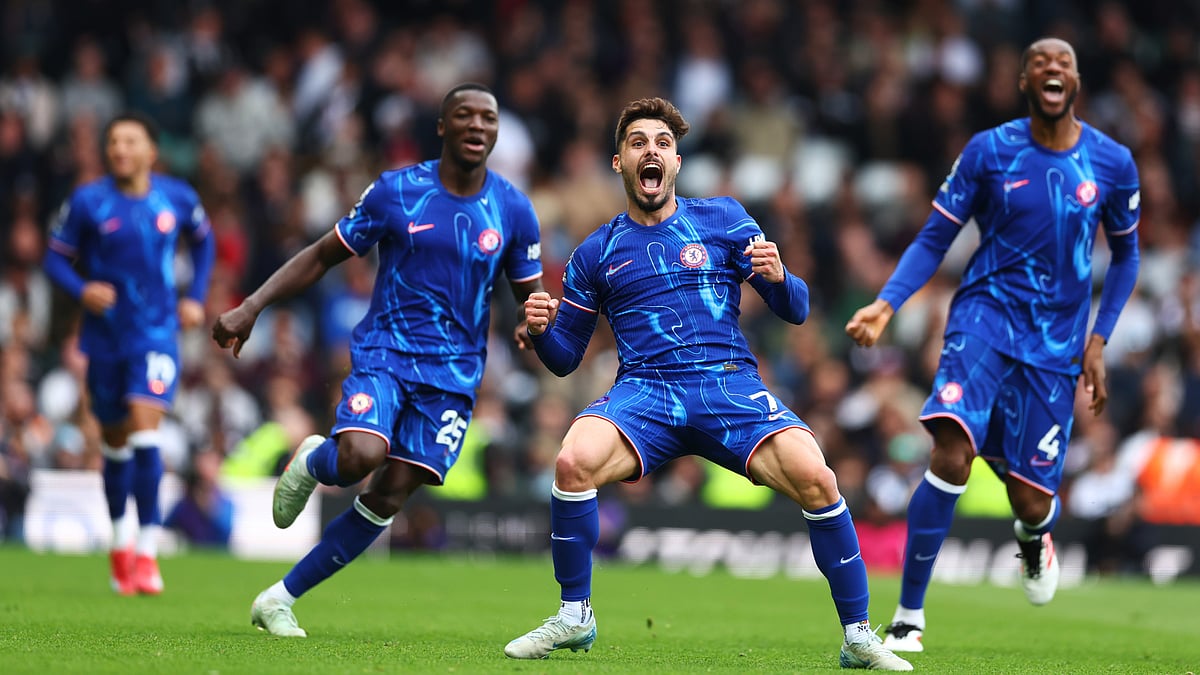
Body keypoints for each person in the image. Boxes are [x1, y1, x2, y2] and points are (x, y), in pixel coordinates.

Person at [503, 97, 912, 671]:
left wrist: (779, 276)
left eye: (663, 143)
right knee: (572, 462)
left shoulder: (723, 218)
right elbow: (564, 358)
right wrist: (541, 331)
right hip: (645, 392)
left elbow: (795, 309)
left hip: (727, 386)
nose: (652, 151)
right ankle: (575, 615)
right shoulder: (594, 251)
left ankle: (858, 635)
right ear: (619, 161)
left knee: (819, 478)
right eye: (638, 142)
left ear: (677, 160)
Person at [211, 83, 544, 638]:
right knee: (361, 454)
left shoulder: (513, 207)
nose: (478, 125)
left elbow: (529, 294)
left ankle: (279, 599)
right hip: (387, 354)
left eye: (488, 118)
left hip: (455, 378)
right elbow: (323, 255)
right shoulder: (398, 191)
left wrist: (532, 324)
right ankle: (317, 462)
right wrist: (252, 306)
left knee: (388, 496)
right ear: (442, 126)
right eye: (464, 115)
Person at [845, 37, 1140, 653]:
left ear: (1076, 82)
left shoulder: (1112, 163)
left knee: (1031, 499)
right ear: (1025, 84)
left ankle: (1035, 538)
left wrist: (1099, 339)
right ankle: (908, 615)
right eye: (1040, 64)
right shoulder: (990, 150)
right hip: (983, 317)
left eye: (1064, 63)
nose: (1053, 69)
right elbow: (934, 236)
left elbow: (1129, 255)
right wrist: (888, 301)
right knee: (950, 443)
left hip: (1056, 344)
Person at [43, 111, 215, 595]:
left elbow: (205, 243)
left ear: (150, 151)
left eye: (130, 141)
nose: (119, 149)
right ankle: (120, 541)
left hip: (157, 333)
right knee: (115, 446)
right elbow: (53, 257)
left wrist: (195, 297)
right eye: (114, 141)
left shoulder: (177, 197)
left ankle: (147, 551)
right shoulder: (88, 201)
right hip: (104, 338)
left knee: (146, 433)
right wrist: (82, 289)